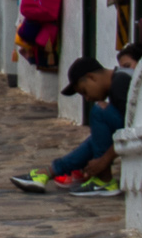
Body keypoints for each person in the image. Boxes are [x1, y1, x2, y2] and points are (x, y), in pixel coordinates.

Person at [11, 54, 131, 196]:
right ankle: (47, 173)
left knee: (98, 111)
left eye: (84, 91)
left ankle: (103, 180)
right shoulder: (118, 81)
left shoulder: (120, 83)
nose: (87, 98)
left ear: (92, 77)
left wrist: (103, 161)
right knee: (96, 138)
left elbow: (129, 132)